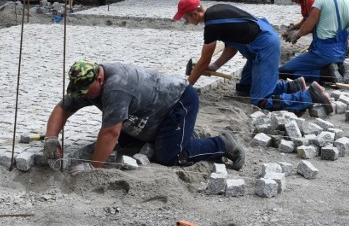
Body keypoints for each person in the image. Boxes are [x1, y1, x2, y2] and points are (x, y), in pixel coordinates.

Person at [43, 60, 246, 172]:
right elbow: (63, 108)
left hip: (178, 102)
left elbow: (110, 132)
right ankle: (174, 137)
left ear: (99, 78)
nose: (85, 96)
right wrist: (51, 139)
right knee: (125, 142)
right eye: (81, 92)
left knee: (169, 157)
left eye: (88, 91)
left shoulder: (116, 89)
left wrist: (93, 167)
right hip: (150, 112)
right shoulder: (87, 84)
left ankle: (221, 144)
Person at [173, 0, 334, 114]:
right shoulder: (217, 11)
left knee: (260, 100)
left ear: (194, 13)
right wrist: (214, 67)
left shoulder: (212, 25)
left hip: (264, 47)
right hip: (261, 41)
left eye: (185, 17)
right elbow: (231, 47)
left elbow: (203, 60)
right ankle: (292, 86)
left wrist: (186, 88)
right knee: (245, 88)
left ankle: (308, 96)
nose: (186, 21)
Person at [279, 0, 349, 83]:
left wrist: (296, 34)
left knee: (284, 71)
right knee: (306, 64)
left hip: (322, 52)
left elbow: (308, 26)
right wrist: (346, 53)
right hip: (340, 54)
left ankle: (325, 74)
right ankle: (334, 67)